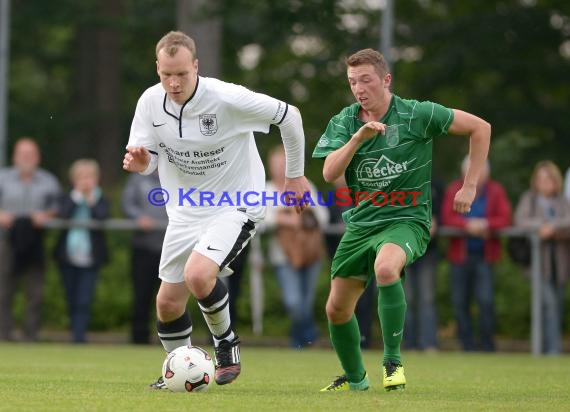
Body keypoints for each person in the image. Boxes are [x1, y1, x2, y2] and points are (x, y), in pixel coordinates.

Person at [122, 31, 311, 388]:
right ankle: (177, 372)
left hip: (236, 204)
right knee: (167, 304)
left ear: (196, 66)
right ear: (157, 69)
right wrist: (141, 162)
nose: (174, 83)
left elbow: (290, 115)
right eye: (166, 75)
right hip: (185, 211)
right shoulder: (149, 102)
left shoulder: (226, 98)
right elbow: (148, 160)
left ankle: (226, 343)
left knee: (198, 276)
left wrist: (295, 175)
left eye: (182, 74)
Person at [312, 48, 491, 392]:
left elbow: (480, 128)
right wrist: (357, 138)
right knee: (336, 310)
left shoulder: (416, 114)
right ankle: (356, 380)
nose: (359, 88)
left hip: (406, 218)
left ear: (386, 79)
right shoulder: (345, 120)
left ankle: (392, 360)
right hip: (362, 224)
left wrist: (469, 186)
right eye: (353, 82)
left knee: (385, 269)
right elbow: (329, 171)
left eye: (366, 80)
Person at [441, 157, 511, 352]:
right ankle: (467, 345)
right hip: (459, 257)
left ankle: (488, 345)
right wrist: (466, 225)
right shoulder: (453, 189)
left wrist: (486, 224)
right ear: (464, 173)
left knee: (486, 301)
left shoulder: (495, 191)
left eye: (479, 172)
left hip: (484, 256)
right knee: (459, 302)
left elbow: (505, 218)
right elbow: (447, 217)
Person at [265, 145, 329, 348]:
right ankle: (310, 334)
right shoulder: (266, 189)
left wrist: (304, 214)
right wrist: (284, 219)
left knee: (306, 302)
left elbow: (323, 217)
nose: (279, 168)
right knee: (294, 302)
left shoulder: (305, 184)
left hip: (311, 253)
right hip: (282, 255)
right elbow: (259, 221)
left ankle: (298, 342)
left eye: (283, 164)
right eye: (275, 164)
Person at [0, 137, 60, 342]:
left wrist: (47, 216)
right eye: (22, 154)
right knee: (3, 289)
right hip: (6, 242)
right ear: (14, 156)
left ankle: (30, 335)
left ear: (37, 157)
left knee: (35, 291)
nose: (26, 158)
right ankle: (4, 334)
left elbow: (59, 207)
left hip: (35, 242)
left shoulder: (49, 180)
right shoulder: (2, 178)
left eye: (30, 154)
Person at [513, 161, 570, 355]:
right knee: (548, 304)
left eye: (548, 178)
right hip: (538, 265)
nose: (544, 182)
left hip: (560, 264)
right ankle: (552, 350)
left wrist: (553, 227)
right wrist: (541, 227)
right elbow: (521, 220)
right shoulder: (529, 199)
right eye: (540, 178)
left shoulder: (563, 201)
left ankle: (545, 347)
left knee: (556, 306)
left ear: (556, 181)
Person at [53, 159, 110, 343]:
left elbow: (101, 217)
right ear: (74, 179)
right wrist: (78, 197)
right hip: (68, 257)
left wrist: (91, 200)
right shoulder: (67, 198)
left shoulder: (101, 199)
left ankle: (79, 337)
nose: (85, 181)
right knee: (71, 298)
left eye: (89, 177)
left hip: (91, 258)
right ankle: (74, 333)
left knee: (84, 299)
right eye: (81, 177)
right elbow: (63, 214)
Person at [325, 175, 377, 349]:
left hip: (363, 257)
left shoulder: (364, 195)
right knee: (339, 302)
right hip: (338, 259)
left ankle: (363, 340)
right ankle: (343, 342)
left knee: (364, 301)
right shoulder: (329, 198)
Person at [121, 171, 168, 344]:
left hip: (172, 248)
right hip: (144, 246)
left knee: (171, 295)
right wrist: (138, 217)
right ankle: (139, 337)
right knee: (142, 294)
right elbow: (127, 203)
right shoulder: (137, 179)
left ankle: (170, 337)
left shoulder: (177, 176)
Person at [403, 178, 444, 352]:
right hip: (402, 249)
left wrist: (437, 221)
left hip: (427, 250)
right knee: (406, 299)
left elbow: (446, 210)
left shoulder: (435, 184)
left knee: (427, 299)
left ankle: (429, 343)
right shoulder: (400, 178)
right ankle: (408, 344)